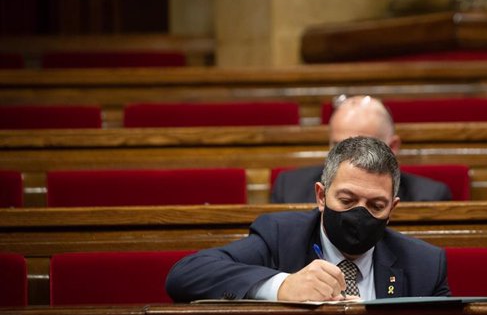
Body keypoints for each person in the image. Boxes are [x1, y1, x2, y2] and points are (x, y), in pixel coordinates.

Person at [166, 136, 450, 302]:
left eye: (376, 205)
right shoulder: (280, 237)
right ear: (321, 196)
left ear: (393, 209)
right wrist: (282, 286)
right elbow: (186, 274)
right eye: (347, 201)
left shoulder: (425, 265)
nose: (360, 214)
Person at [270, 95, 452, 203]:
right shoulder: (290, 188)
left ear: (393, 147)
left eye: (362, 147)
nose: (347, 159)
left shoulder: (429, 196)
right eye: (338, 146)